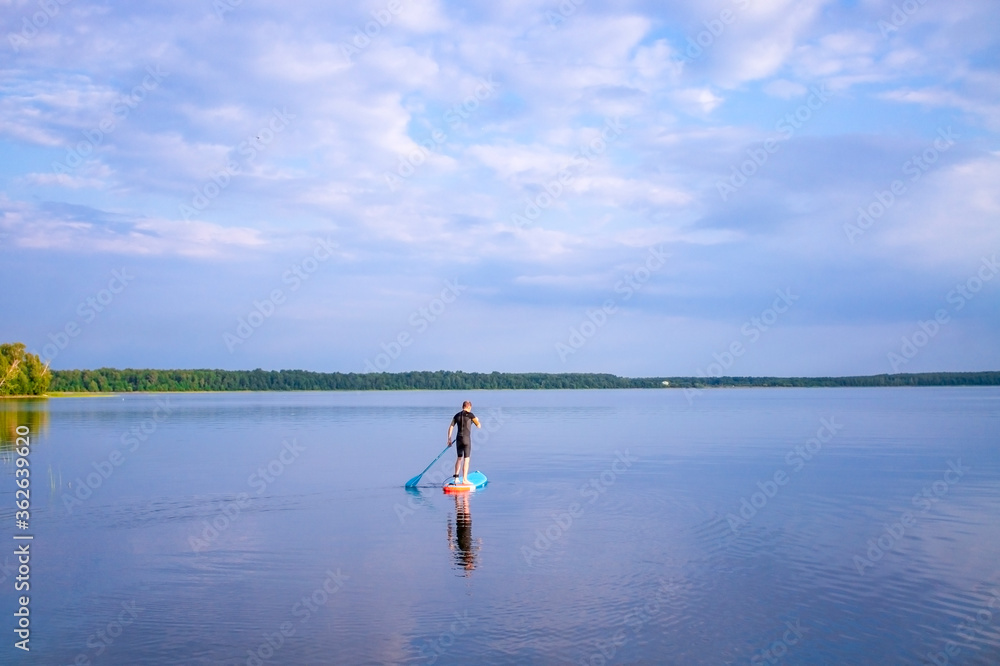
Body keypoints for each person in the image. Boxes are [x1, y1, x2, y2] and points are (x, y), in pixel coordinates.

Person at [447, 400, 480, 484]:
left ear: (463, 406)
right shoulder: (471, 415)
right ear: (469, 407)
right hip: (466, 440)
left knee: (459, 458)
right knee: (466, 460)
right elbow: (479, 426)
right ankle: (465, 480)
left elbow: (451, 427)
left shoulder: (456, 415)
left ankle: (456, 478)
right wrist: (476, 420)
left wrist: (449, 439)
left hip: (458, 439)